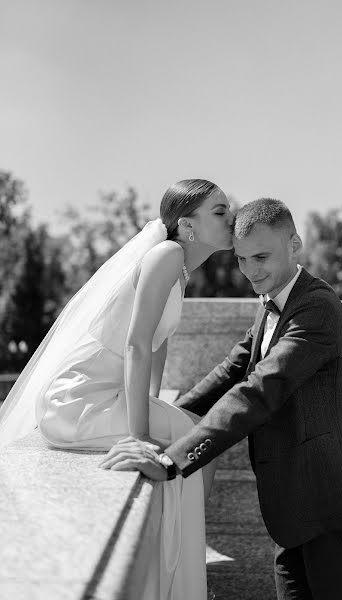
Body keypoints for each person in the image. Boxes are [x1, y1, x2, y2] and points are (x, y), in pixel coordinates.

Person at [102, 198, 342, 600]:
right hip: (291, 514)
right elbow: (232, 370)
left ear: (294, 243)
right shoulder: (270, 303)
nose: (251, 271)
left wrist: (171, 459)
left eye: (262, 257)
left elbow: (258, 392)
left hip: (330, 511)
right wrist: (168, 416)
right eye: (242, 259)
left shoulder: (316, 308)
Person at [0, 178, 234, 600]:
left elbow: (158, 348)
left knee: (198, 444)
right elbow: (136, 344)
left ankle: (180, 572)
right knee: (197, 446)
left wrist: (150, 406)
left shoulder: (179, 269)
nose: (231, 217)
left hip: (109, 396)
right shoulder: (166, 254)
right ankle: (180, 579)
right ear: (187, 224)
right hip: (78, 400)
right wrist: (140, 437)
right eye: (219, 211)